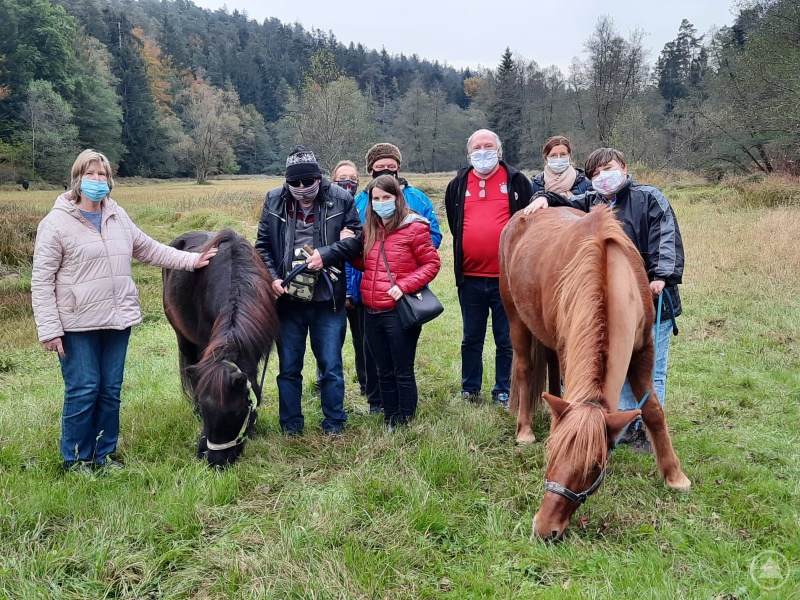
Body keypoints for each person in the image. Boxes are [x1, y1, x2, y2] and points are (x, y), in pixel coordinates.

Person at [31, 149, 217, 474]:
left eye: (103, 175)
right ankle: (76, 459)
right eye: (91, 175)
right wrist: (49, 329)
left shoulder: (117, 216)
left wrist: (191, 260)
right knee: (84, 388)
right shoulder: (56, 223)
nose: (98, 181)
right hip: (77, 324)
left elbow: (148, 248)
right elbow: (42, 280)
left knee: (110, 390)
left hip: (117, 320)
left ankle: (103, 455)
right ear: (77, 179)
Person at [525, 147, 685, 454]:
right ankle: (621, 424)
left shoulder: (650, 198)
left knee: (649, 371)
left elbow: (666, 238)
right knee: (615, 366)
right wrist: (541, 197)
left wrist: (661, 276)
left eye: (607, 170)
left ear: (623, 167)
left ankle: (642, 429)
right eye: (595, 174)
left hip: (650, 300)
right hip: (612, 307)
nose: (602, 178)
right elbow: (566, 202)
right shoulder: (594, 201)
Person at [255, 146, 362, 437]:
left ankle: (334, 424)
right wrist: (273, 279)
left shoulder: (341, 198)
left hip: (328, 300)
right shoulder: (274, 199)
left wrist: (327, 254)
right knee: (289, 367)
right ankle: (290, 425)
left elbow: (357, 241)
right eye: (296, 184)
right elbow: (262, 245)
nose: (303, 189)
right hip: (288, 301)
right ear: (287, 181)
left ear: (319, 177)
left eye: (309, 182)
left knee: (330, 365)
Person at [444, 129, 534, 408]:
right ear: (469, 153)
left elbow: (528, 223)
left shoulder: (517, 181)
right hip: (469, 277)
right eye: (477, 147)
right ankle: (470, 389)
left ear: (499, 150)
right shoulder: (458, 183)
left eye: (489, 146)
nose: (483, 152)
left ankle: (503, 389)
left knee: (506, 338)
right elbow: (454, 222)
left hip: (506, 279)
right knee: (471, 337)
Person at [350, 143, 442, 414]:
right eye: (376, 199)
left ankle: (406, 417)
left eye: (386, 198)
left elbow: (431, 261)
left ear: (397, 197)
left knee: (402, 368)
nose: (381, 204)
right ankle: (389, 415)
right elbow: (364, 261)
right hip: (371, 306)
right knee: (382, 368)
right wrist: (345, 250)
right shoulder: (368, 225)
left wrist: (403, 284)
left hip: (399, 306)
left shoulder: (414, 224)